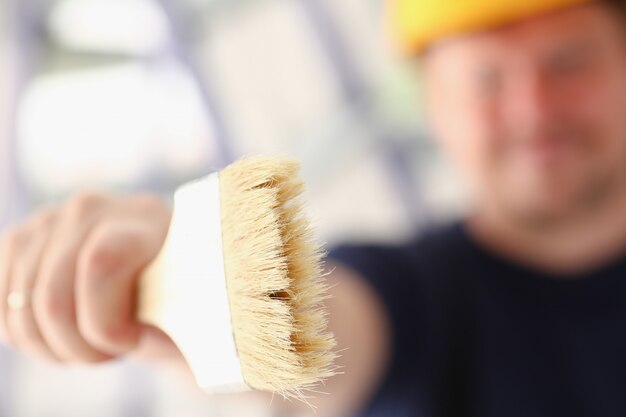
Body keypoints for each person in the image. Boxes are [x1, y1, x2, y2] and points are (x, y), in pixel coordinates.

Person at [2, 0, 626, 416]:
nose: (533, 110)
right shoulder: (412, 291)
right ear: (436, 108)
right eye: (486, 80)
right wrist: (189, 281)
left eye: (568, 63)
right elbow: (326, 336)